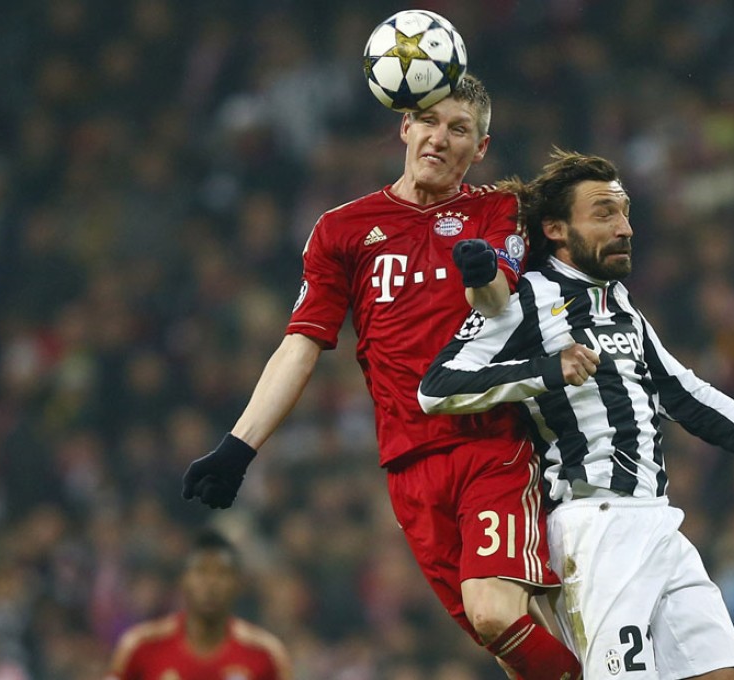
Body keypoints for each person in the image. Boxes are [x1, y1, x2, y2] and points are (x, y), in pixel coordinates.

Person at [180, 75, 582, 680]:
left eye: (460, 130)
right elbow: (301, 344)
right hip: (408, 465)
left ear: (482, 147)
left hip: (492, 443)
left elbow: (498, 297)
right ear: (404, 125)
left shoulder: (495, 209)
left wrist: (483, 271)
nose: (440, 139)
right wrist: (238, 447)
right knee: (512, 635)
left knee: (498, 613)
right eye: (429, 122)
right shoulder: (342, 230)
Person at [418, 150, 734, 680]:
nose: (624, 228)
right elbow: (437, 388)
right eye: (603, 213)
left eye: (625, 213)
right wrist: (548, 370)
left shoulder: (619, 303)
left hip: (659, 520)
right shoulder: (525, 298)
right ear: (554, 228)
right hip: (594, 528)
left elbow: (685, 393)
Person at [106, 528, 292, 680]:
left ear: (237, 584)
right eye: (201, 572)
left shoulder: (265, 654)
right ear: (183, 580)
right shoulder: (141, 646)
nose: (211, 583)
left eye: (221, 573)